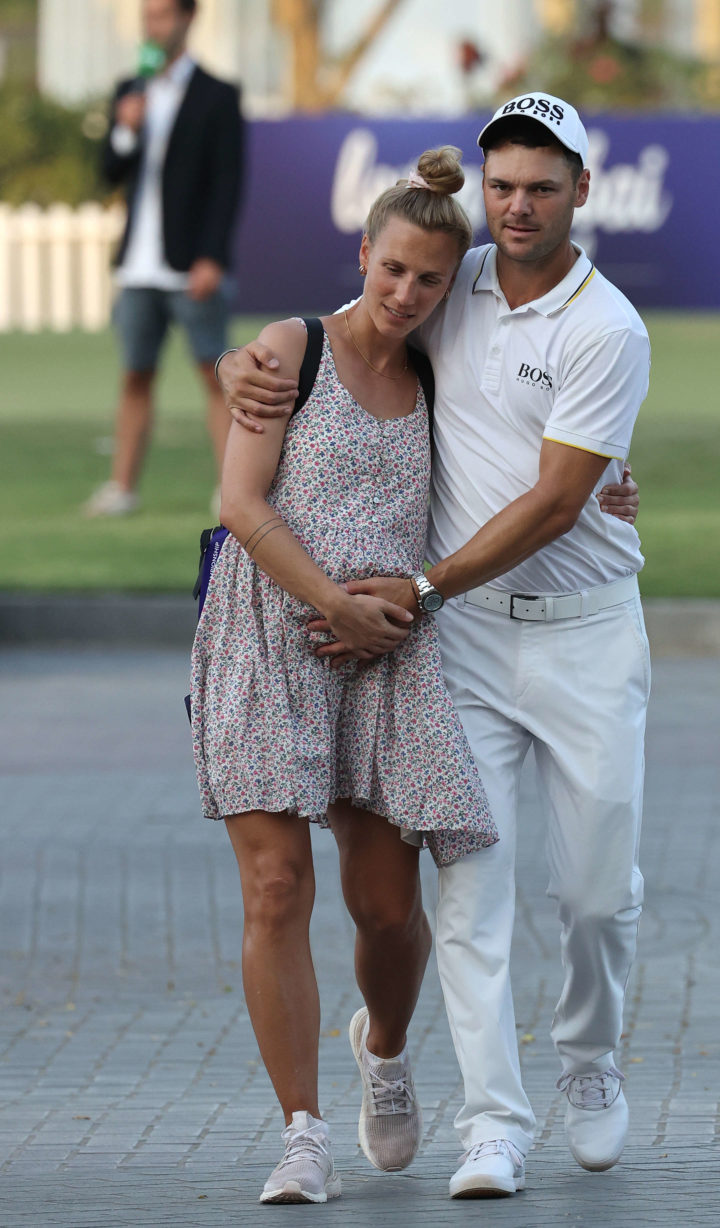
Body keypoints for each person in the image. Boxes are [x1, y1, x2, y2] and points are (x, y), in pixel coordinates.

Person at [217, 91, 649, 1200]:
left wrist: (412, 585)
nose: (516, 205)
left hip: (562, 634)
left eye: (540, 188)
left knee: (588, 892)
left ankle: (589, 1060)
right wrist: (245, 367)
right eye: (502, 184)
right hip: (442, 645)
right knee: (467, 888)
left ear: (581, 196)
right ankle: (491, 1123)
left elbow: (557, 500)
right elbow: (360, 311)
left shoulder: (607, 328)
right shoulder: (450, 281)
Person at [190, 147, 498, 1205]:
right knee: (278, 888)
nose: (407, 292)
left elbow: (520, 454)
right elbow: (239, 502)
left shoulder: (434, 374)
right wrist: (335, 604)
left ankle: (390, 1046)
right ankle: (301, 1133)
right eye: (394, 267)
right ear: (362, 253)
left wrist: (615, 484)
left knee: (384, 909)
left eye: (430, 280)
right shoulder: (288, 349)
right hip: (270, 641)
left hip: (385, 664)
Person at [84, 0, 243, 518]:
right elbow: (109, 171)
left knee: (215, 376)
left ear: (187, 19)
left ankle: (231, 491)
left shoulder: (217, 96)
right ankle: (122, 489)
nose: (154, 26)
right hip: (138, 266)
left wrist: (211, 257)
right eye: (148, 17)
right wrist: (126, 127)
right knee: (135, 375)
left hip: (190, 267)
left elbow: (227, 183)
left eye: (163, 16)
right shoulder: (130, 90)